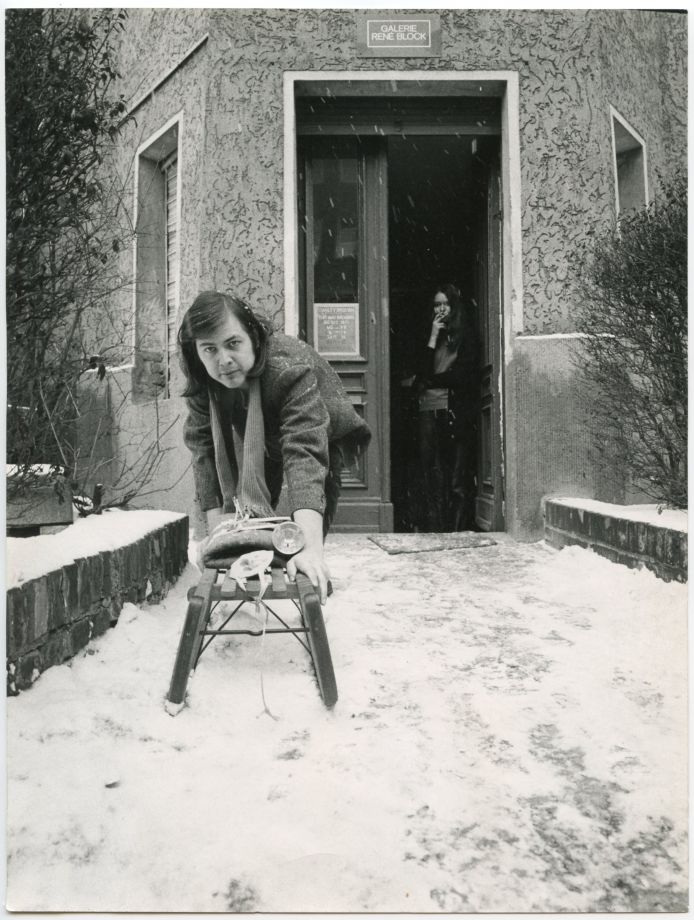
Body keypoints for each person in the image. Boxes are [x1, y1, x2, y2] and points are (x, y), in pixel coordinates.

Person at [178, 291, 371, 603]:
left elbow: (305, 453)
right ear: (196, 352)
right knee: (253, 525)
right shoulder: (203, 382)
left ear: (253, 337)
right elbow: (205, 453)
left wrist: (310, 550)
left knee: (301, 544)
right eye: (209, 349)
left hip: (323, 433)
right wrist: (219, 538)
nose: (223, 360)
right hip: (262, 438)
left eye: (233, 343)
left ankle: (310, 579)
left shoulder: (288, 368)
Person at [409, 283, 478, 532]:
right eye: (437, 304)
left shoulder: (465, 335)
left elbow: (462, 376)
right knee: (432, 473)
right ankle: (435, 528)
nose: (441, 309)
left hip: (454, 409)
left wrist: (430, 381)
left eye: (445, 304)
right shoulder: (429, 336)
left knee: (456, 476)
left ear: (453, 306)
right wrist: (432, 337)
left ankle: (456, 530)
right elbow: (421, 372)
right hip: (428, 409)